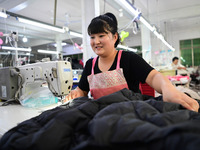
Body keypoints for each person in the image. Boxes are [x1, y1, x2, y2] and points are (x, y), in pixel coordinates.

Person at [65, 12, 199, 112]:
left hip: (130, 115)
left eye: (101, 36)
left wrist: (168, 89)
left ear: (114, 37)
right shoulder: (90, 65)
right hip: (100, 118)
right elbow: (82, 90)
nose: (96, 41)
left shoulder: (128, 59)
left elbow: (153, 76)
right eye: (92, 37)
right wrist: (77, 94)